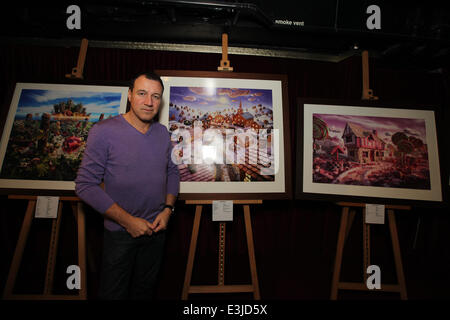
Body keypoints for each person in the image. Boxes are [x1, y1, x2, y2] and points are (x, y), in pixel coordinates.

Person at [75, 72, 180, 300]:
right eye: (142, 94)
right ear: (130, 95)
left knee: (145, 291)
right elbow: (85, 185)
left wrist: (168, 210)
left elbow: (172, 171)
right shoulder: (103, 131)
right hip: (120, 234)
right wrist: (128, 221)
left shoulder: (163, 134)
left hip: (156, 230)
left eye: (155, 96)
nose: (149, 102)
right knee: (113, 294)